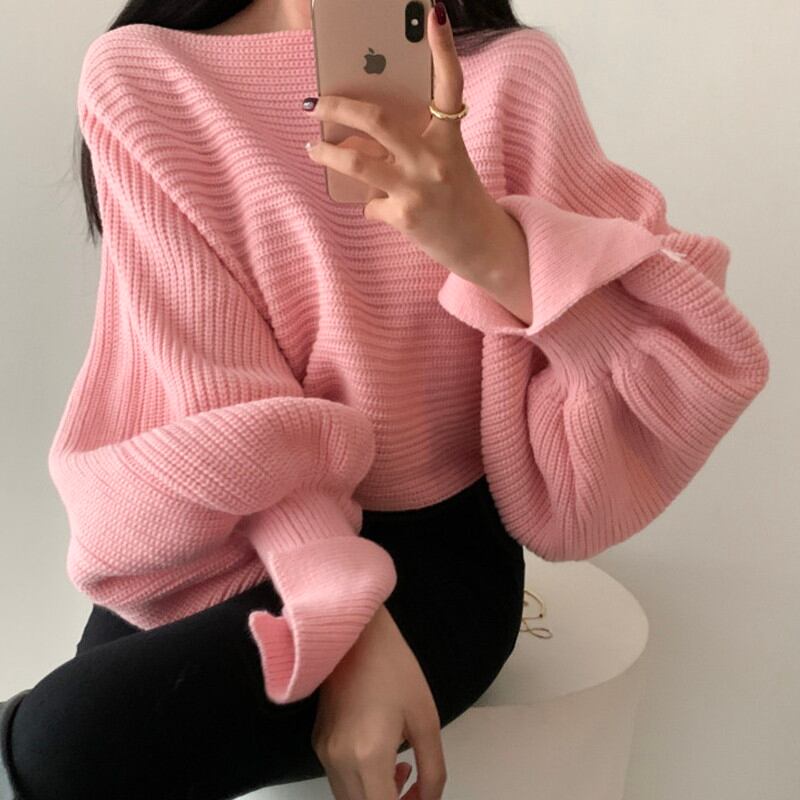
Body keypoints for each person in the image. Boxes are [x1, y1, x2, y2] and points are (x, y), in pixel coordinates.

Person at [1, 1, 770, 799]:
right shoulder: (146, 76)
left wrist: (492, 247)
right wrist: (345, 614)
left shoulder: (513, 75)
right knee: (67, 735)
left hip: (437, 555)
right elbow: (212, 386)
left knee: (65, 744)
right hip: (237, 524)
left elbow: (690, 360)